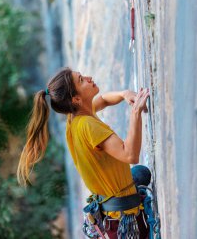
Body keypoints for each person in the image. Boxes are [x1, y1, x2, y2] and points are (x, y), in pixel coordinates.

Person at [17, 67, 150, 238]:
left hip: (108, 205)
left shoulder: (75, 118)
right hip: (124, 215)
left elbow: (104, 99)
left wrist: (124, 94)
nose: (89, 77)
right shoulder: (87, 126)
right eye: (81, 80)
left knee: (141, 173)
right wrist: (135, 113)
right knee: (140, 173)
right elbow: (130, 154)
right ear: (77, 99)